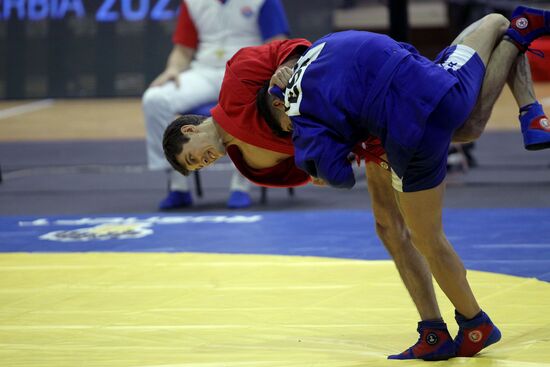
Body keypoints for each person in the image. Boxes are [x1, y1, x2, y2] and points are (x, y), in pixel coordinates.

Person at [162, 6, 550, 360]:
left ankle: (517, 72)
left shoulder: (238, 75)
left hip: (367, 98)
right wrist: (320, 169)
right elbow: (313, 167)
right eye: (197, 167)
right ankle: (433, 328)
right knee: (394, 222)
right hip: (360, 134)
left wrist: (290, 69)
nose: (204, 162)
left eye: (194, 156)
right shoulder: (250, 165)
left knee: (458, 137)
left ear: (191, 128)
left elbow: (302, 52)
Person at [142, 0, 289, 210]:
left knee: (257, 103)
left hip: (247, 73)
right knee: (155, 99)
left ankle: (241, 185)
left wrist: (267, 77)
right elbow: (183, 51)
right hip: (205, 72)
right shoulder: (192, 2)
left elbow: (277, 43)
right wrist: (173, 69)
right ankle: (178, 185)